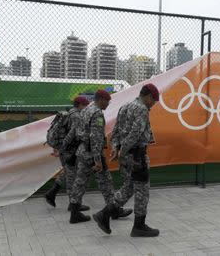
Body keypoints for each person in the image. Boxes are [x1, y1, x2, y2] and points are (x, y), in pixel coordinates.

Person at [92, 83, 160, 237]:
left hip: (126, 157)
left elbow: (115, 131)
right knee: (142, 190)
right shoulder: (142, 109)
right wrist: (122, 151)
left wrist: (117, 148)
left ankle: (104, 214)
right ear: (148, 96)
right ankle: (139, 226)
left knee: (129, 187)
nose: (153, 104)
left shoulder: (125, 106)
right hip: (137, 156)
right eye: (154, 100)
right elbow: (136, 133)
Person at [68, 89, 131, 224]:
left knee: (80, 182)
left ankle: (74, 212)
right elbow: (95, 138)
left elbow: (79, 132)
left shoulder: (85, 110)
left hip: (83, 151)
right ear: (101, 99)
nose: (108, 104)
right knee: (106, 182)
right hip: (93, 154)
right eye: (107, 101)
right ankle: (114, 210)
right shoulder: (97, 114)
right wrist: (97, 160)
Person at [44, 96, 90, 211]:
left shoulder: (69, 113)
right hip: (68, 150)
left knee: (68, 171)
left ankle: (51, 193)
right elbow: (72, 134)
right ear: (80, 105)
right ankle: (73, 204)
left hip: (66, 149)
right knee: (71, 176)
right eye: (85, 105)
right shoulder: (76, 116)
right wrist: (63, 147)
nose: (86, 108)